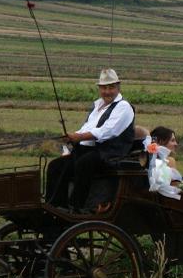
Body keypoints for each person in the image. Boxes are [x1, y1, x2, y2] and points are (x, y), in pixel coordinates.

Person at [44, 68, 136, 212]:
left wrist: (79, 137)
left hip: (111, 153)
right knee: (56, 166)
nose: (107, 91)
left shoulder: (123, 107)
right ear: (99, 89)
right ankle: (55, 205)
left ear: (118, 87)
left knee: (84, 163)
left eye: (111, 87)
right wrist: (71, 137)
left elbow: (107, 131)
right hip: (92, 150)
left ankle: (76, 207)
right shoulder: (97, 105)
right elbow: (87, 128)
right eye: (104, 88)